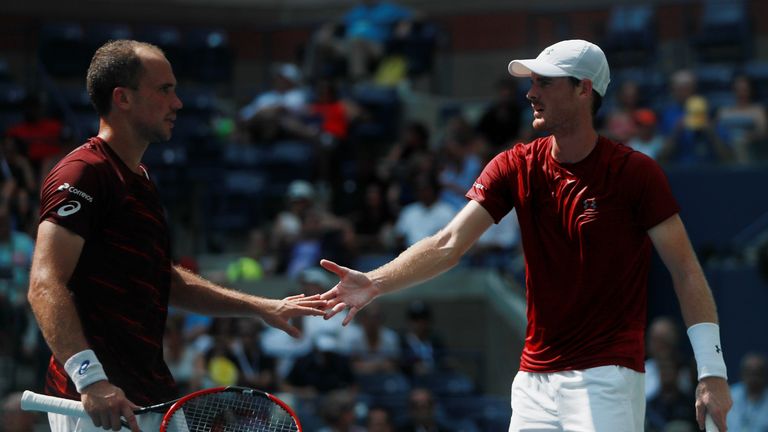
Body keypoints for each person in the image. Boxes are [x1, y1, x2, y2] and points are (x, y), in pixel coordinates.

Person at [319, 39, 732, 431]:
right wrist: (374, 282)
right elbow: (448, 244)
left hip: (608, 375)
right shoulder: (514, 165)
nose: (531, 93)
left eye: (544, 83)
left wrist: (711, 371)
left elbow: (686, 271)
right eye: (532, 82)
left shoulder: (636, 174)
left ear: (583, 89)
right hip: (534, 382)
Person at [26, 39, 327, 432]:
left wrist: (260, 307)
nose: (178, 103)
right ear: (123, 98)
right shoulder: (83, 173)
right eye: (164, 90)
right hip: (98, 404)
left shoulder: (141, 181)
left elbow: (163, 279)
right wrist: (91, 379)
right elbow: (45, 283)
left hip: (151, 396)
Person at [727, 352, 768, 431]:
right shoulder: (729, 395)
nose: (753, 377)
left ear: (764, 374)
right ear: (742, 373)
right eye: (749, 372)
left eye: (757, 372)